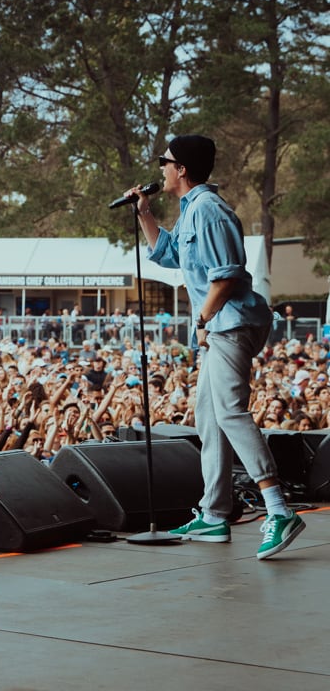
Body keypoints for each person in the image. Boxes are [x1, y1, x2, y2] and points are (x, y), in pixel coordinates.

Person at [131, 134, 304, 559]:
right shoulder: (191, 210)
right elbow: (169, 255)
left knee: (229, 411)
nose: (161, 169)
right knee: (209, 418)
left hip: (230, 324)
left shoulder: (209, 210)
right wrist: (145, 213)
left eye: (165, 162)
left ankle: (278, 509)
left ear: (182, 169)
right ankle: (213, 513)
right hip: (219, 326)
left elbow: (227, 276)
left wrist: (202, 319)